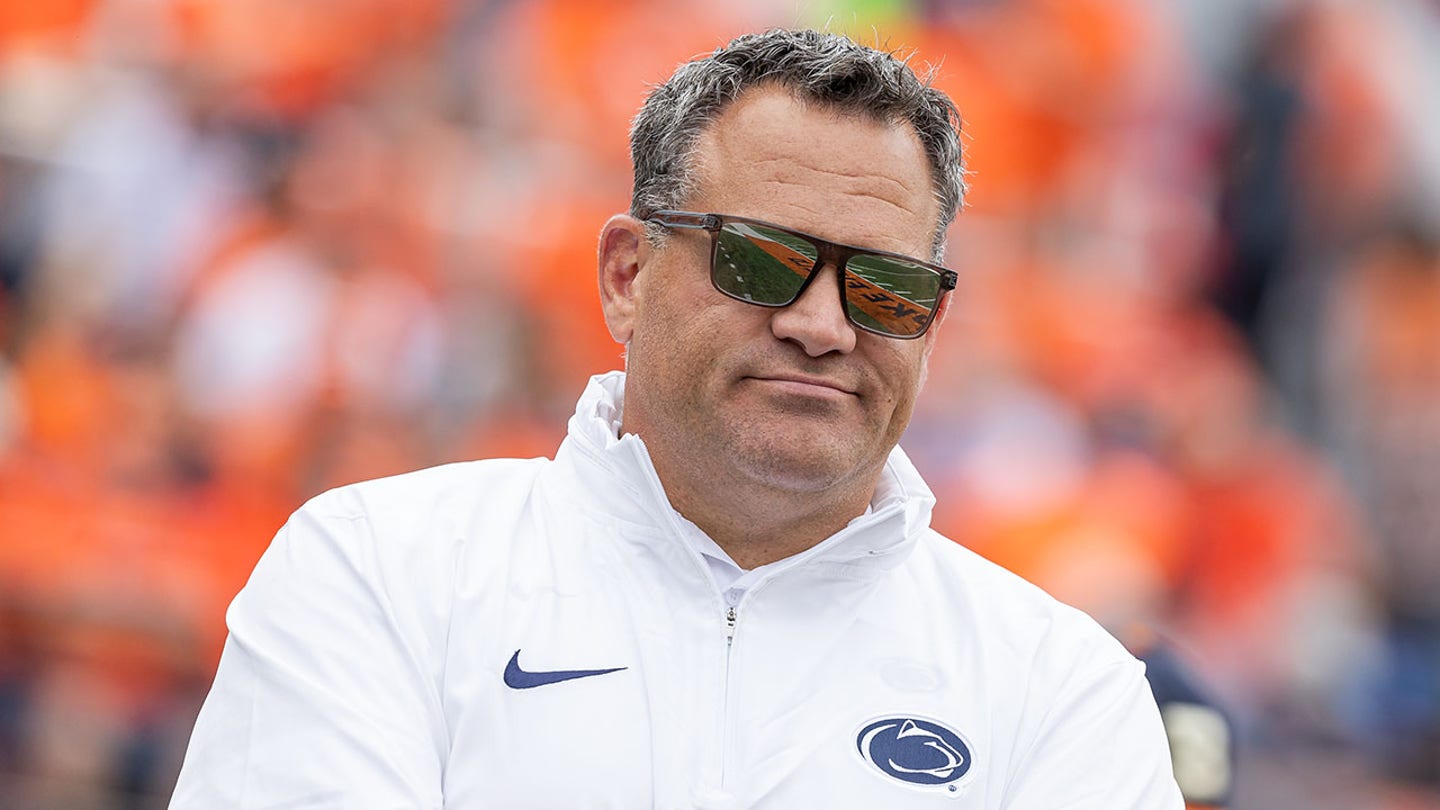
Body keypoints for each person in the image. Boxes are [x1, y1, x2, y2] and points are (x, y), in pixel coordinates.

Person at [170, 29, 1182, 807]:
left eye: (884, 287)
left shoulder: (1060, 687)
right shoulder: (379, 573)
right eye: (762, 260)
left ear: (932, 324)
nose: (822, 325)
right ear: (626, 275)